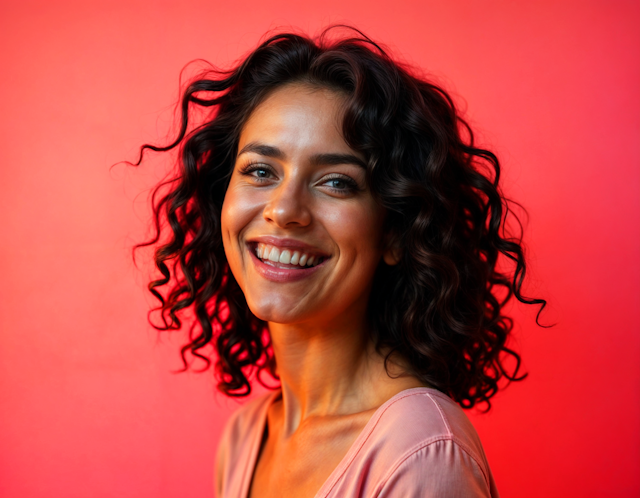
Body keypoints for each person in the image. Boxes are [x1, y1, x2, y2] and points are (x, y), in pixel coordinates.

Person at [135, 26, 545, 498]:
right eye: (261, 171)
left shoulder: (422, 452)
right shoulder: (246, 438)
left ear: (396, 231)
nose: (284, 210)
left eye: (336, 182)